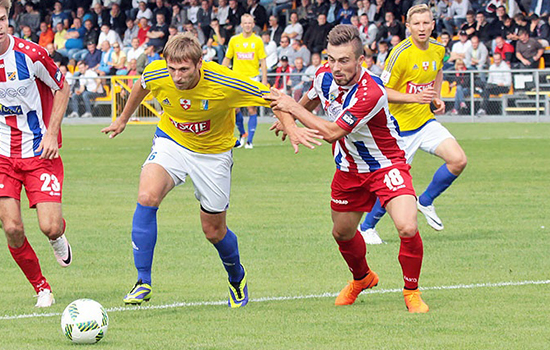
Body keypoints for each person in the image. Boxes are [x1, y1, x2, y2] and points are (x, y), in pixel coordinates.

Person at [100, 32, 316, 309]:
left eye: (184, 69)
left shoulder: (224, 82)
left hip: (213, 154)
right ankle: (143, 281)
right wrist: (122, 120)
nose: (177, 76)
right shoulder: (157, 72)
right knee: (147, 197)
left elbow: (274, 98)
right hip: (172, 141)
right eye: (172, 68)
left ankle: (236, 276)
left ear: (200, 63)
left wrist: (291, 126)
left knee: (213, 231)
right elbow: (141, 85)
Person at [265, 23, 429, 313]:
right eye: (331, 59)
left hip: (385, 164)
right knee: (341, 233)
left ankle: (411, 292)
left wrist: (292, 108)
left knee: (406, 225)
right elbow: (310, 101)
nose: (336, 67)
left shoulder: (371, 92)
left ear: (359, 60)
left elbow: (331, 132)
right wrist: (289, 118)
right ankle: (362, 277)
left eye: (343, 61)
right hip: (348, 168)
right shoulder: (323, 76)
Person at [0, 0, 72, 308]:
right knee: (12, 227)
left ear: (9, 20)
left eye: (2, 19)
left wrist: (51, 132)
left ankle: (58, 235)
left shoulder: (31, 54)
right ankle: (41, 287)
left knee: (49, 225)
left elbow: (63, 87)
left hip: (38, 150)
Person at [359, 4, 468, 244]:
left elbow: (438, 71)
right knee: (394, 185)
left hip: (425, 121)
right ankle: (367, 227)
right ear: (408, 27)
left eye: (425, 23)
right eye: (416, 24)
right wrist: (414, 98)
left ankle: (426, 200)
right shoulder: (400, 53)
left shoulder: (439, 49)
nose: (421, 28)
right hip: (400, 129)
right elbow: (382, 91)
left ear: (432, 25)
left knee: (458, 160)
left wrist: (436, 97)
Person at [222, 14, 267, 149]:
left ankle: (250, 141)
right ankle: (243, 133)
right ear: (241, 25)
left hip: (252, 78)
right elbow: (227, 58)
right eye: (245, 23)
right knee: (234, 109)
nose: (247, 25)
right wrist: (220, 73)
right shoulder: (234, 40)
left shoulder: (257, 41)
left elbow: (263, 61)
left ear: (253, 25)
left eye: (250, 23)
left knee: (251, 108)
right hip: (236, 78)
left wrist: (264, 80)